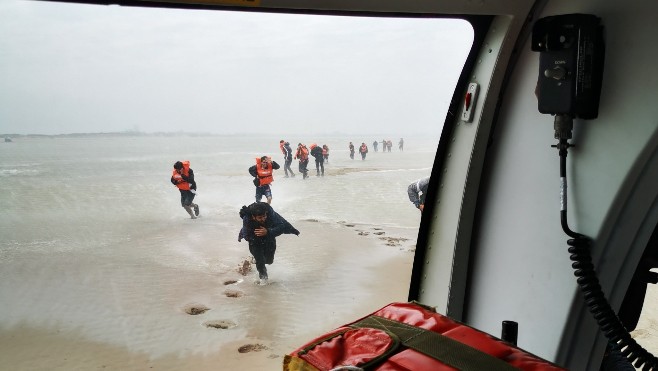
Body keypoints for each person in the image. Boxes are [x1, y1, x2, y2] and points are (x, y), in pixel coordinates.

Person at [238, 202, 300, 285]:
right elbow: (246, 236)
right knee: (261, 260)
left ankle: (254, 259)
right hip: (254, 239)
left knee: (269, 261)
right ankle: (263, 281)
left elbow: (281, 226)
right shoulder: (247, 219)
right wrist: (257, 237)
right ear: (253, 217)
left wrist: (268, 232)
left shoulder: (270, 214)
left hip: (269, 235)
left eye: (264, 216)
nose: (263, 219)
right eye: (260, 217)